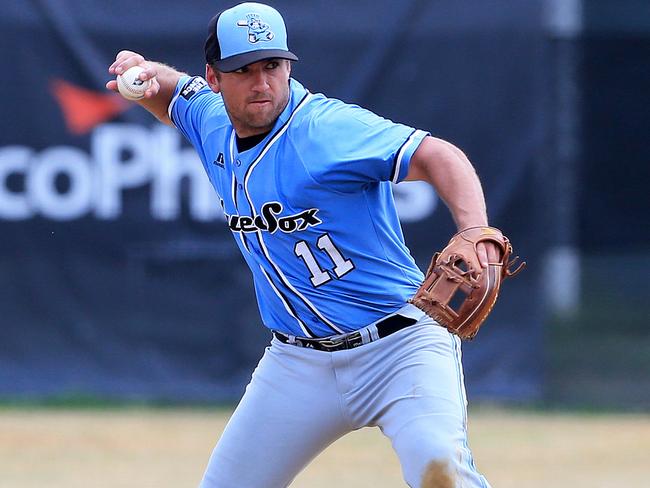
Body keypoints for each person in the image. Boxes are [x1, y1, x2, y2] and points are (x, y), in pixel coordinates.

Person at [107, 3, 498, 487]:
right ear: (215, 77)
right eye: (243, 70)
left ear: (289, 66)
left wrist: (473, 230)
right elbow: (171, 94)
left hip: (400, 348)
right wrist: (143, 74)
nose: (262, 83)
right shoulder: (211, 121)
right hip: (298, 364)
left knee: (441, 472)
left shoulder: (326, 129)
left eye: (272, 65)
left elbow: (440, 155)